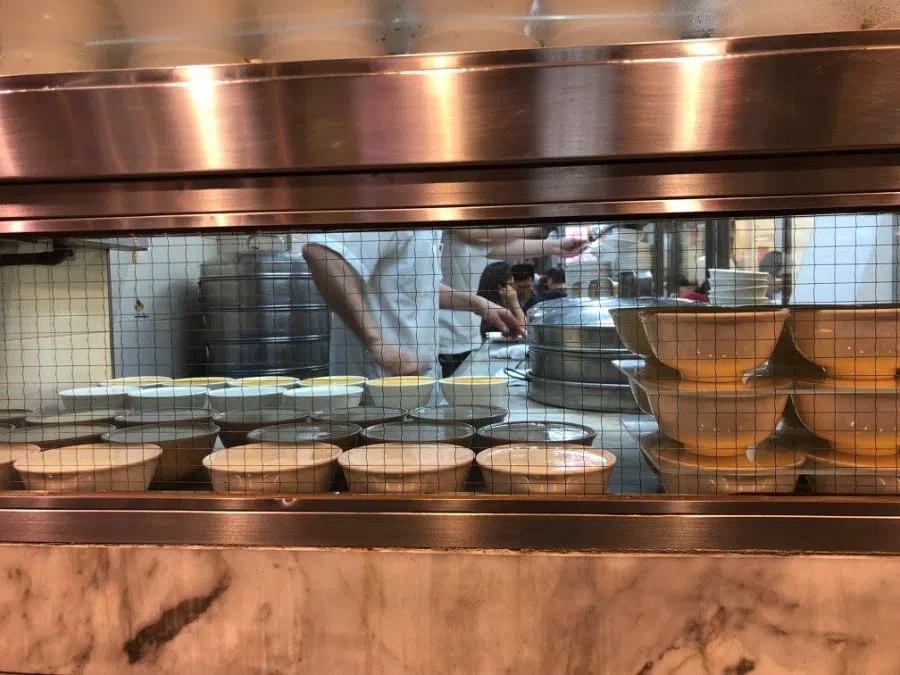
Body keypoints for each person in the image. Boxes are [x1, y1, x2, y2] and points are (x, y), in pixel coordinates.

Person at [302, 230, 523, 381]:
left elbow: (419, 287)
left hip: (418, 384)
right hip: (374, 388)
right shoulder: (386, 201)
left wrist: (477, 303)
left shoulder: (429, 221)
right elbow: (321, 253)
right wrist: (375, 341)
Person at [437, 227, 588, 377]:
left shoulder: (476, 232)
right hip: (441, 335)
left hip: (465, 335)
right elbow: (474, 235)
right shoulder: (457, 219)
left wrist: (557, 246)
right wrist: (534, 229)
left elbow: (491, 244)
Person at [475, 262, 526, 342]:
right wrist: (515, 303)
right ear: (500, 287)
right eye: (510, 283)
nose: (513, 288)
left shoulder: (505, 301)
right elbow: (522, 330)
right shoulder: (487, 306)